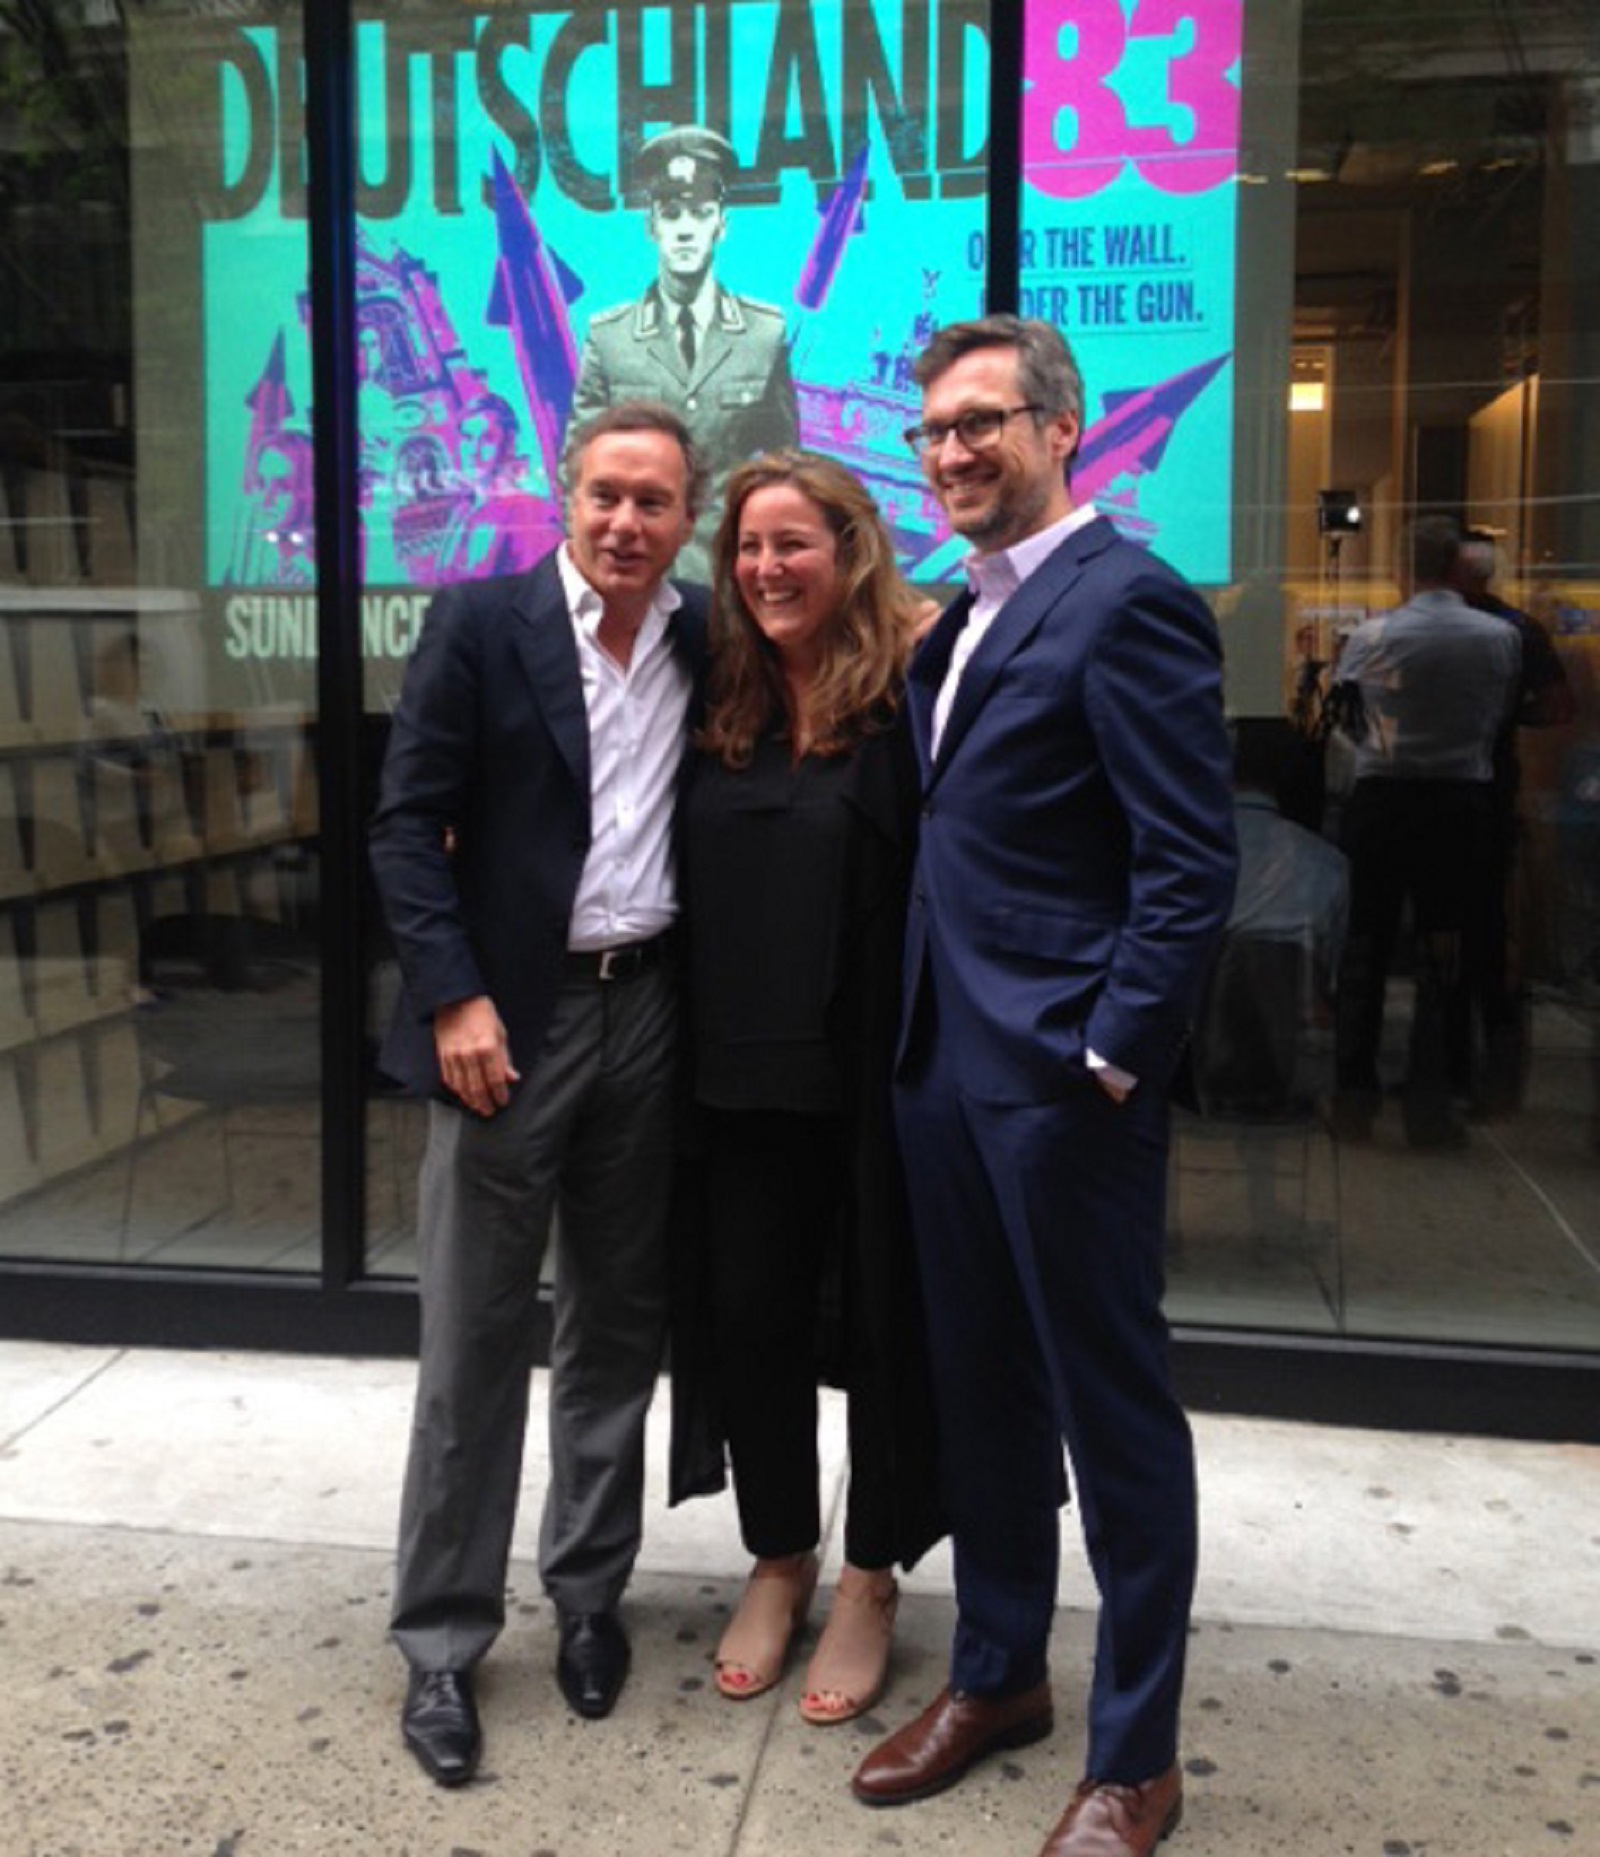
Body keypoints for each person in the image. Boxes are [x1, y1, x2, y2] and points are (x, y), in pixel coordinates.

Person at [849, 316, 1237, 1857]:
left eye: (983, 423)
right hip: (943, 1065)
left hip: (1066, 1085)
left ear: (1061, 431)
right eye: (935, 427)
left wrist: (1115, 1050)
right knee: (982, 1397)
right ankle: (999, 1675)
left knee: (1112, 1415)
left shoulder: (1124, 601)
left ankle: (1136, 1758)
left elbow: (1188, 862)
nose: (951, 449)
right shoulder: (960, 618)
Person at [369, 401, 708, 1786]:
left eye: (657, 502)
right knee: (475, 1339)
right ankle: (444, 1639)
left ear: (691, 517)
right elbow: (404, 823)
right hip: (510, 1021)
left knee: (618, 1328)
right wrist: (454, 994)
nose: (628, 523)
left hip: (653, 1009)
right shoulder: (479, 623)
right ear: (565, 497)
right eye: (607, 496)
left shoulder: (703, 636)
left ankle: (587, 1598)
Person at [672, 450, 943, 1726]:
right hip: (730, 1077)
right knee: (749, 1323)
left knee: (889, 1330)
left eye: (794, 544)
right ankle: (777, 1560)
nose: (767, 568)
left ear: (851, 550)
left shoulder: (913, 690)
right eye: (747, 548)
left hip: (877, 1078)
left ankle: (870, 1580)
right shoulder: (710, 691)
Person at [1331, 516, 1521, 1146]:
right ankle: (1433, 1094)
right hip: (1461, 801)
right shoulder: (1498, 638)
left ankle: (1354, 1093)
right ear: (1456, 567)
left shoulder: (1371, 635)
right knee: (1446, 952)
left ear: (1401, 569)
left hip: (1384, 799)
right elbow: (1496, 718)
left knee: (1367, 949)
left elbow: (1347, 720)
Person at [572, 125, 798, 583]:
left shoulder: (763, 334)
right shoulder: (610, 339)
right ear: (651, 225)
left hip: (732, 583)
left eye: (700, 212)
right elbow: (575, 471)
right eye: (672, 214)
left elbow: (786, 469)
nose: (685, 231)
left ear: (722, 223)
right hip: (635, 582)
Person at [1449, 528, 1575, 1111]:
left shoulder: (1502, 631)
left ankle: (1470, 1069)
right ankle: (1482, 1072)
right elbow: (1555, 706)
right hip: (1487, 792)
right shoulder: (1516, 630)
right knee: (1483, 937)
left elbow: (1556, 706)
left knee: (1470, 937)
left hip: (1464, 796)